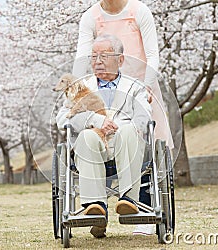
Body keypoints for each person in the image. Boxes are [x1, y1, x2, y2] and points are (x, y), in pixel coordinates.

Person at [73, 0, 172, 235]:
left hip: (138, 87)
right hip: (101, 93)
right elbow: (81, 55)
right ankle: (97, 211)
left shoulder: (139, 12)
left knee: (141, 140)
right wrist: (78, 92)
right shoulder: (91, 16)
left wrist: (146, 86)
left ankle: (138, 209)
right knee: (91, 139)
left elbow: (152, 54)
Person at [56, 34, 151, 238]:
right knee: (86, 137)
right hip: (93, 142)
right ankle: (96, 206)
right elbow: (63, 119)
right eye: (93, 56)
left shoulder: (134, 86)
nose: (97, 61)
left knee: (127, 130)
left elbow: (144, 115)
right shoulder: (80, 85)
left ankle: (129, 199)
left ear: (120, 60)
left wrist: (132, 127)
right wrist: (95, 120)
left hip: (124, 140)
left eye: (104, 56)